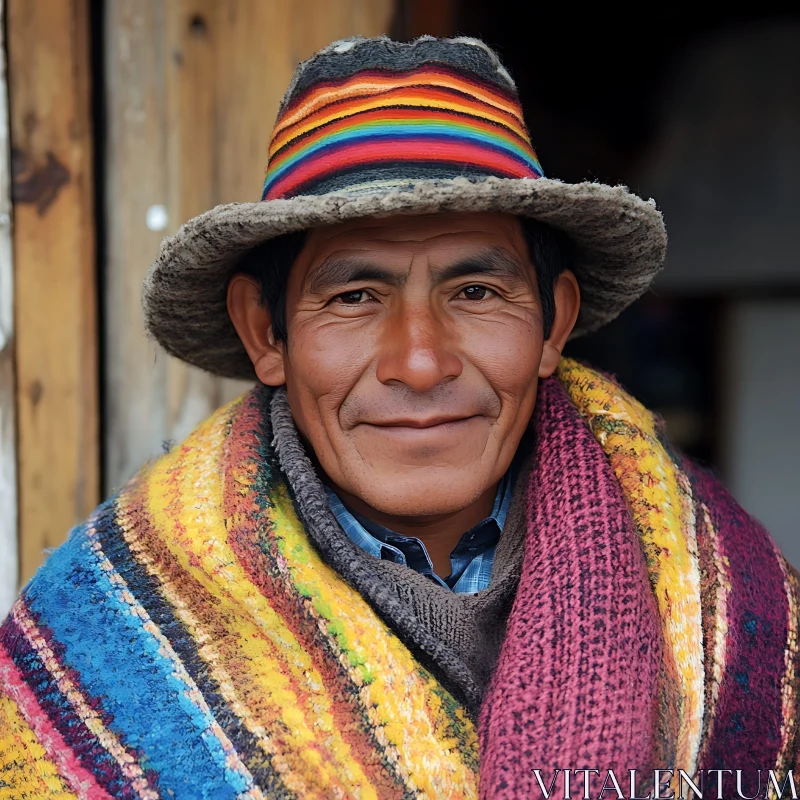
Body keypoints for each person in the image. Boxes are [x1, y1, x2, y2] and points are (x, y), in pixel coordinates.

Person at [0, 35, 797, 800]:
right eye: (354, 297)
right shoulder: (103, 648)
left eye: (476, 292)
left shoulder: (745, 615)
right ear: (266, 334)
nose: (421, 363)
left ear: (553, 324)